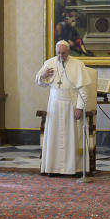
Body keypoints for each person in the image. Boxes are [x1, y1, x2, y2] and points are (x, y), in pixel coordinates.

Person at [36, 40, 92, 175]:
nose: (61, 56)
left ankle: (74, 168)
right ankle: (53, 168)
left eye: (64, 53)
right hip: (54, 105)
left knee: (72, 137)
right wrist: (42, 76)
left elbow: (83, 89)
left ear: (69, 52)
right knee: (54, 137)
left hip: (71, 105)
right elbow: (39, 81)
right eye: (58, 53)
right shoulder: (49, 63)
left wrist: (79, 107)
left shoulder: (78, 64)